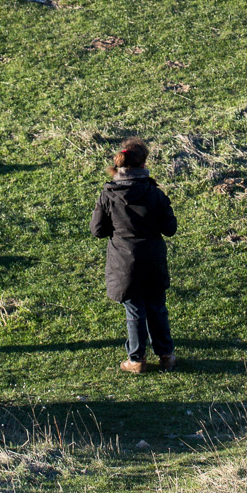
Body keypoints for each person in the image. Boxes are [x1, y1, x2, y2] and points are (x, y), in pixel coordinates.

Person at [90, 137, 178, 373]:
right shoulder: (155, 194)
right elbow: (170, 228)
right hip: (153, 259)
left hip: (123, 262)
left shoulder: (108, 195)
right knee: (157, 306)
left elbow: (97, 230)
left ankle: (137, 359)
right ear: (143, 164)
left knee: (134, 310)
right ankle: (166, 356)